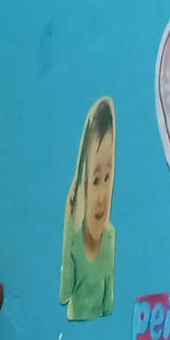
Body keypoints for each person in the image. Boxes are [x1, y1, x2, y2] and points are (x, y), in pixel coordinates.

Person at [60, 97, 116, 321]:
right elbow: (64, 294)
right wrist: (69, 224)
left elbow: (108, 306)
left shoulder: (110, 238)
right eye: (95, 181)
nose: (102, 196)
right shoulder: (75, 239)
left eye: (107, 178)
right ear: (82, 185)